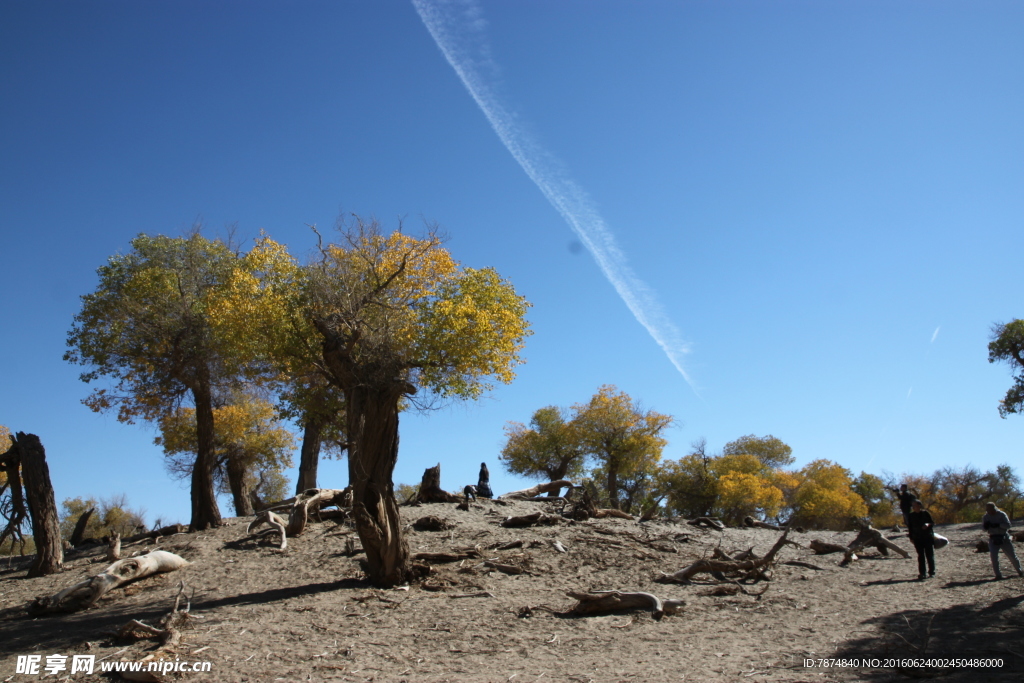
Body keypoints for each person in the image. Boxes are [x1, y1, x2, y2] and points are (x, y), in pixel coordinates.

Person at [981, 502, 1023, 580]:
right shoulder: (986, 517)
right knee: (994, 558)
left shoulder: (1002, 514)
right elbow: (983, 529)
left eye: (992, 510)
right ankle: (998, 575)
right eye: (989, 511)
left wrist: (998, 525)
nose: (990, 512)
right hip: (993, 538)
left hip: (1004, 537)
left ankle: (1020, 571)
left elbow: (1008, 525)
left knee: (1012, 556)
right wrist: (985, 526)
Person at [907, 499, 935, 580]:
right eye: (912, 506)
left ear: (919, 506)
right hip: (917, 538)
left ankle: (931, 572)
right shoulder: (911, 515)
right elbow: (910, 527)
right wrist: (911, 537)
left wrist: (927, 524)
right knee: (920, 556)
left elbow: (932, 523)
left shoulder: (925, 513)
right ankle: (922, 573)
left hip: (927, 537)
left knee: (929, 555)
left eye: (915, 505)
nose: (913, 507)